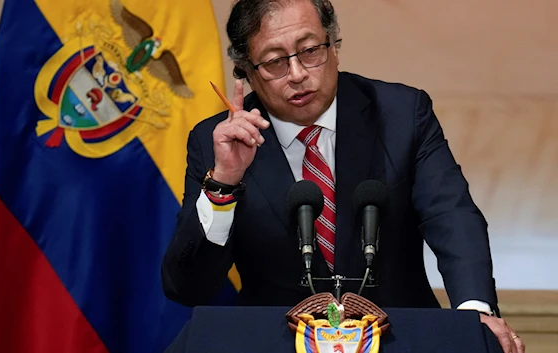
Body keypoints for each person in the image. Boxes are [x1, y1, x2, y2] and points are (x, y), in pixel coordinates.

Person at [161, 0, 524, 352]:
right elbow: (187, 288)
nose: (298, 74)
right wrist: (224, 181)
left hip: (403, 337)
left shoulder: (401, 114)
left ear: (334, 46)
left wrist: (474, 313)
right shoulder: (217, 143)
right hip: (273, 340)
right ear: (246, 69)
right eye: (274, 62)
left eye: (309, 51)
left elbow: (452, 217)